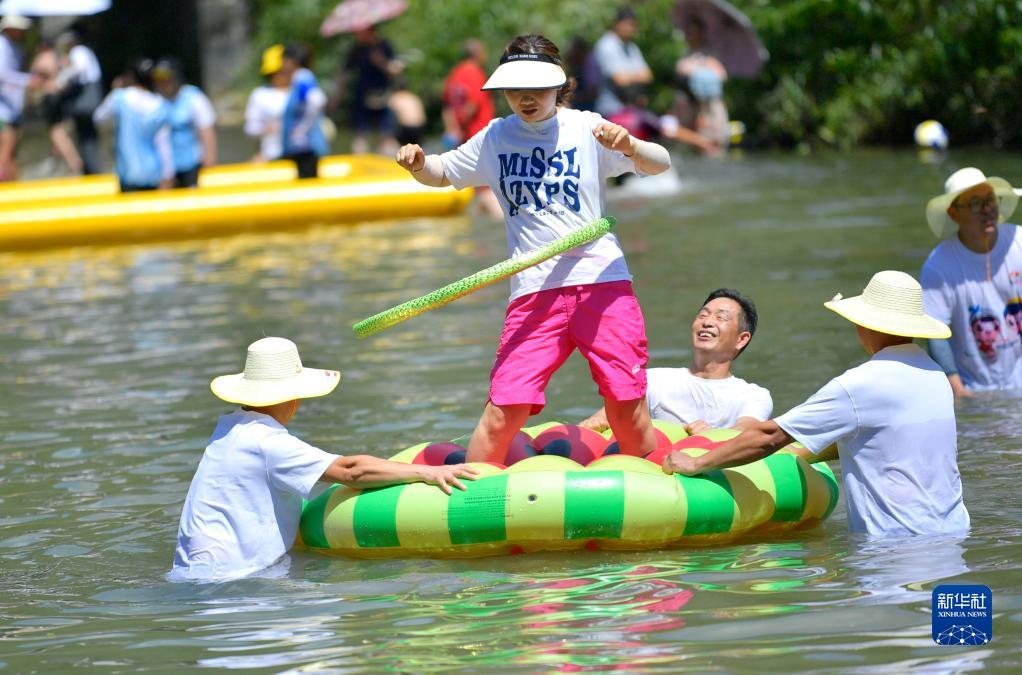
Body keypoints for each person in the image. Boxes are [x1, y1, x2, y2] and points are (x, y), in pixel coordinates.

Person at [395, 34, 672, 463]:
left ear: (559, 86)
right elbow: (442, 171)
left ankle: (650, 491)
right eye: (515, 90)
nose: (526, 99)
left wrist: (629, 145)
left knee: (625, 402)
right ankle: (476, 502)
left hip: (601, 281)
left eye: (538, 89)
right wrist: (418, 163)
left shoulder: (587, 127)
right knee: (504, 407)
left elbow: (660, 163)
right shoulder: (495, 138)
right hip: (534, 290)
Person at [663, 271, 971, 539]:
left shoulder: (862, 383)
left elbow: (769, 436)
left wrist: (697, 463)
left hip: (897, 544)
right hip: (953, 532)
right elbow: (875, 438)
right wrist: (796, 456)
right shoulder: (934, 375)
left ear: (867, 324)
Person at [170, 337, 477, 582]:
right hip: (233, 582)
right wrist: (426, 472)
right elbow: (350, 471)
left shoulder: (229, 430)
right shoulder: (267, 442)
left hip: (195, 575)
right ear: (294, 399)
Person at [581, 289, 771, 434]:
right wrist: (590, 427)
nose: (707, 322)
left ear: (741, 339)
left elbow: (747, 431)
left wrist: (712, 436)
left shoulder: (753, 395)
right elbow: (605, 418)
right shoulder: (654, 380)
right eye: (703, 315)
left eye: (720, 317)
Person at [921, 167, 1022, 395]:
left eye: (990, 200)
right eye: (976, 203)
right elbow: (935, 334)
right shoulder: (939, 266)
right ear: (953, 214)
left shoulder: (1019, 242)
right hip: (975, 391)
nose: (987, 210)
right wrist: (958, 391)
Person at [441, 39, 501, 219]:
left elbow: (447, 107)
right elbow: (473, 103)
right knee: (486, 187)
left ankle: (480, 235)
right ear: (476, 53)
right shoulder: (474, 72)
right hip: (479, 135)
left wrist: (452, 129)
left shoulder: (454, 74)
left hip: (463, 138)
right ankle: (499, 230)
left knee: (475, 185)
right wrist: (461, 125)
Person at [93, 59, 174, 192]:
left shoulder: (119, 98)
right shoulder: (161, 106)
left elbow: (99, 119)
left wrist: (115, 91)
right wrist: (168, 175)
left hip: (128, 173)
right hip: (153, 173)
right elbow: (164, 145)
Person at [333, 25, 400, 155]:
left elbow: (396, 70)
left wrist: (382, 62)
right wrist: (336, 98)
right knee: (360, 135)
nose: (355, 35)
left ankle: (391, 166)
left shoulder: (385, 46)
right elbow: (344, 74)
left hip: (383, 96)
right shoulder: (357, 49)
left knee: (386, 135)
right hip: (362, 96)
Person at [152, 57, 216, 188]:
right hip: (164, 169)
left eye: (167, 79)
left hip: (192, 164)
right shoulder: (155, 101)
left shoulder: (193, 97)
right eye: (160, 80)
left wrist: (209, 157)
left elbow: (206, 128)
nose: (164, 83)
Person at [54, 25, 103, 175]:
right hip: (89, 99)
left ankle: (91, 170)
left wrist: (61, 79)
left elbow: (79, 68)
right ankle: (90, 167)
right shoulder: (83, 51)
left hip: (85, 100)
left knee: (86, 136)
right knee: (87, 137)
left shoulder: (78, 51)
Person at [29, 39, 83, 174]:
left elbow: (34, 81)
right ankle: (60, 160)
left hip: (49, 95)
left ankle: (73, 161)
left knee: (56, 132)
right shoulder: (59, 57)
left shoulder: (41, 59)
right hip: (60, 96)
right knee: (60, 131)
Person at [592, 7, 653, 119]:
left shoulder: (631, 47)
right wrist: (636, 76)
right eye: (629, 24)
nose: (631, 29)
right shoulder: (606, 45)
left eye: (634, 25)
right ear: (617, 24)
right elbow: (620, 80)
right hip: (611, 111)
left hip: (632, 110)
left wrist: (628, 76)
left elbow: (648, 76)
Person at [280, 43, 328, 179]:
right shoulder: (302, 77)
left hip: (305, 145)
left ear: (291, 61)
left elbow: (317, 100)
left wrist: (303, 128)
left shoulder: (302, 77)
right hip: (303, 145)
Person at [244, 44, 291, 163]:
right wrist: (267, 129)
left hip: (301, 154)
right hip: (271, 155)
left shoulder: (300, 90)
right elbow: (251, 128)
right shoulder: (260, 95)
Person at [0, 14, 33, 181]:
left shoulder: (14, 47)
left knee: (12, 150)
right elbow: (3, 74)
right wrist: (28, 81)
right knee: (6, 147)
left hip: (11, 107)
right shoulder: (2, 45)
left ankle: (13, 187)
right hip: (3, 109)